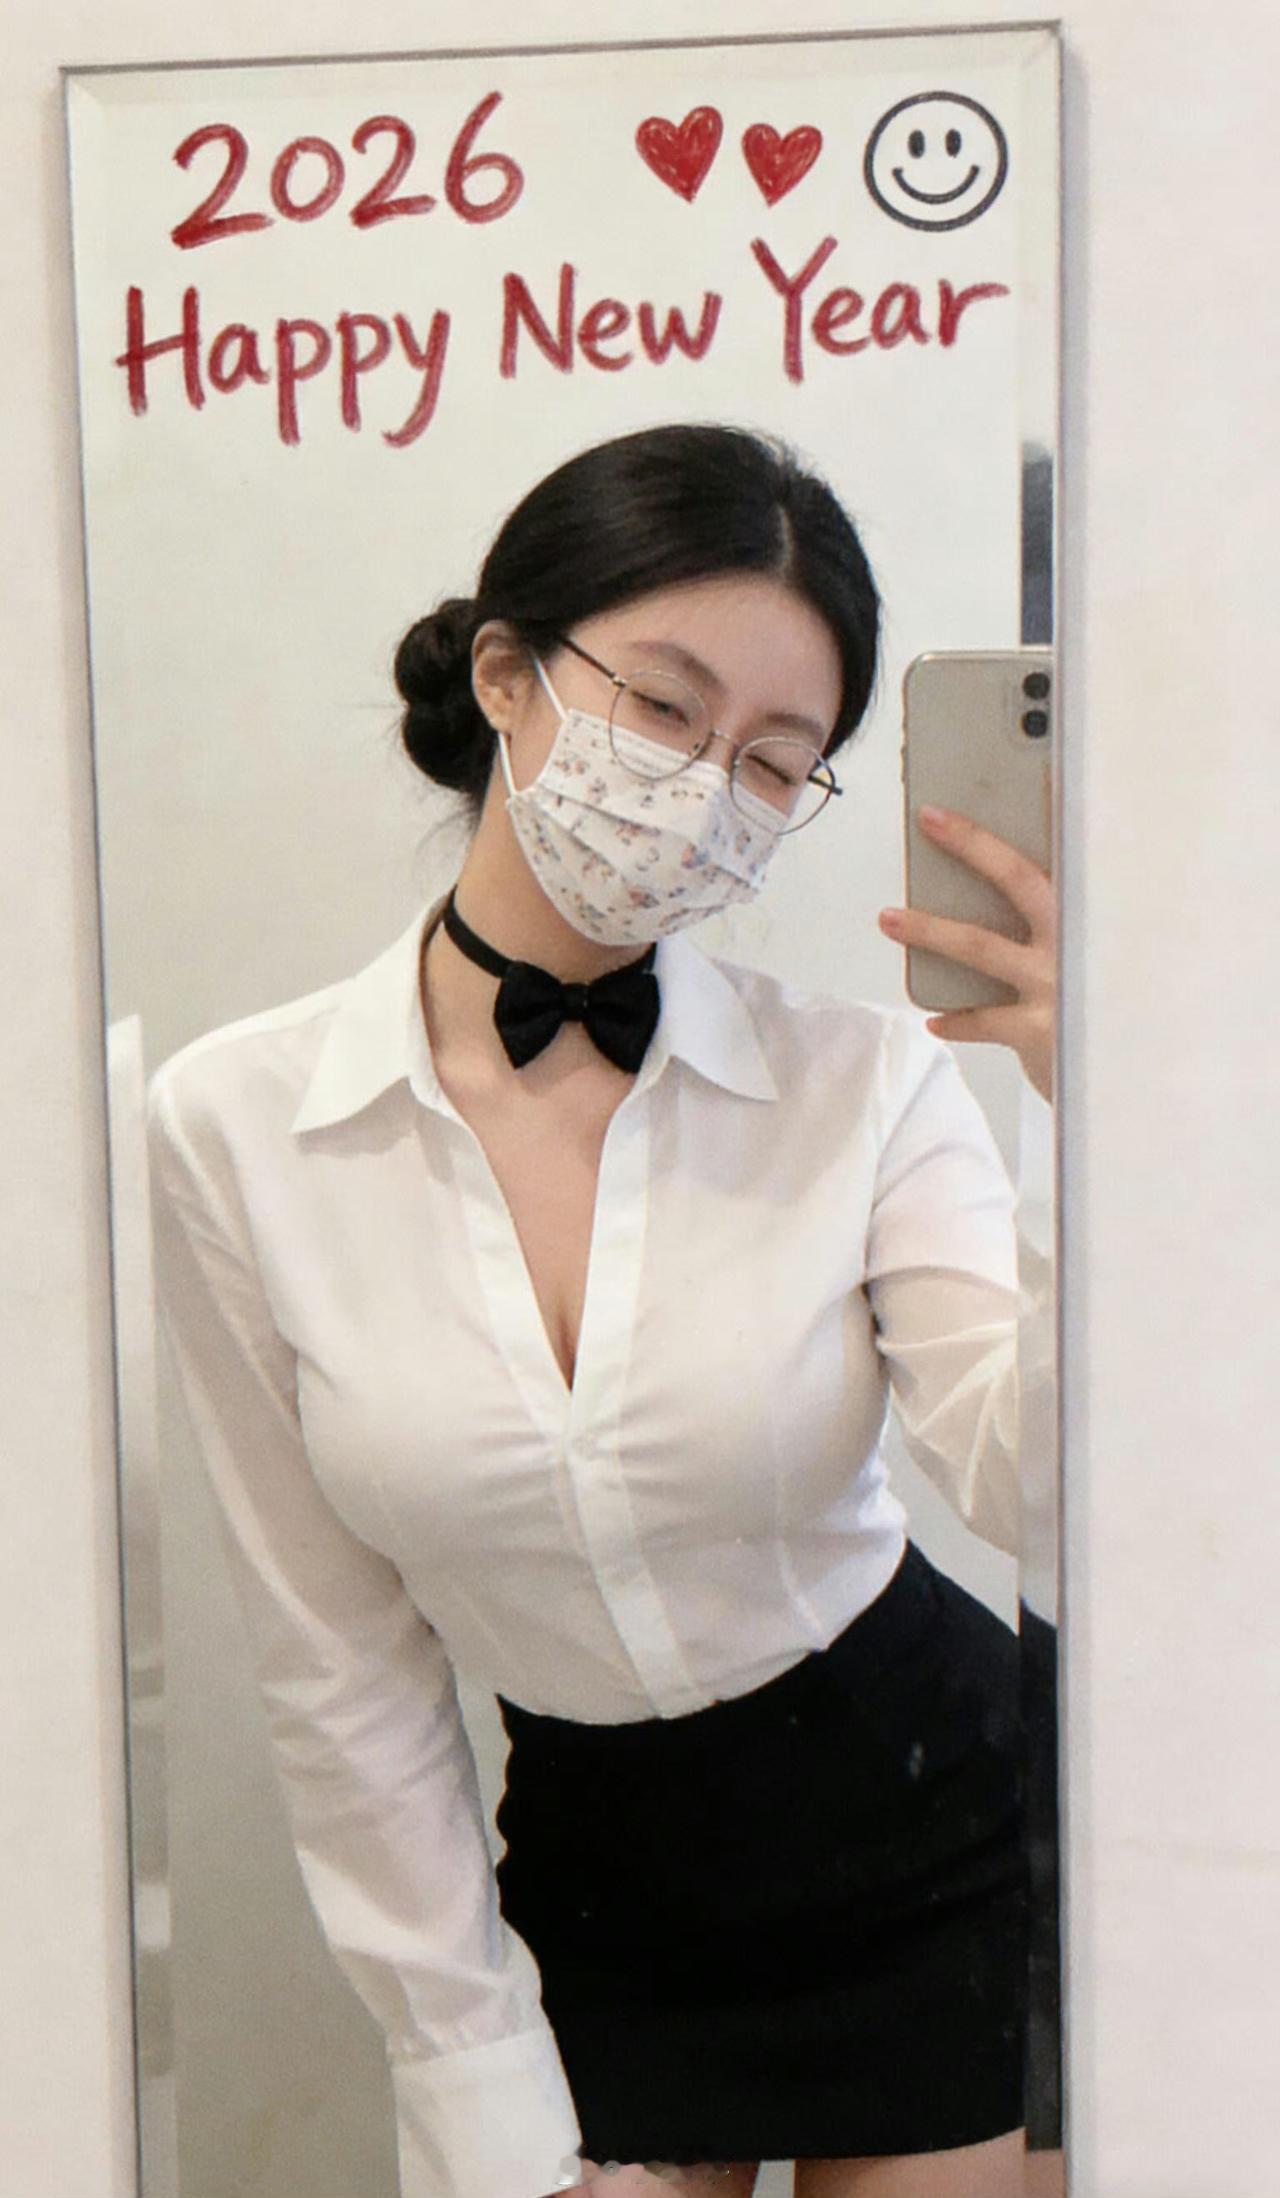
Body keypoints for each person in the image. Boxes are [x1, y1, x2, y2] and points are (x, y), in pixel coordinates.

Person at [147, 423, 1056, 2198]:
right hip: (596, 1888)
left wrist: (1103, 1119)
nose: (705, 787)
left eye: (775, 760)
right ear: (507, 673)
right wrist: (470, 2077)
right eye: (663, 705)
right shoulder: (237, 1127)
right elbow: (338, 1666)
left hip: (935, 1821)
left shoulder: (864, 1085)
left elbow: (1044, 1489)